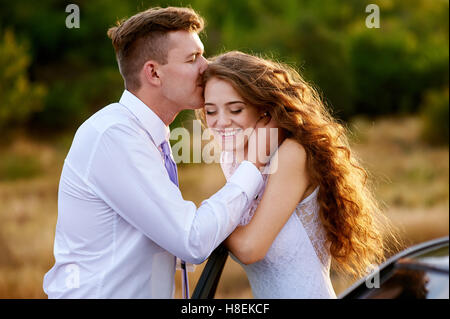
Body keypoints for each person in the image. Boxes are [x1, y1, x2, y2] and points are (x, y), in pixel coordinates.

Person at [43, 7, 270, 299]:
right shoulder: (114, 135)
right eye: (192, 59)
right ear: (153, 72)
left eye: (202, 54)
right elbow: (192, 240)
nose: (206, 66)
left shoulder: (150, 137)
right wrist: (253, 165)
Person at [197, 51, 398, 298]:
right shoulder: (233, 158)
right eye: (211, 111)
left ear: (264, 110)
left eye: (235, 110)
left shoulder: (291, 154)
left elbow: (250, 248)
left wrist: (202, 226)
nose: (221, 122)